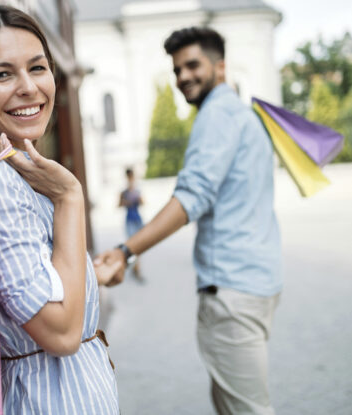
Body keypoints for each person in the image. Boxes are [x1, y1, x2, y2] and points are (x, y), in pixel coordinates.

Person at [0, 6, 120, 414]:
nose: (29, 88)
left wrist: (89, 273)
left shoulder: (11, 168)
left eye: (38, 67)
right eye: (2, 74)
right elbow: (61, 333)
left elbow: (25, 283)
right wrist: (70, 198)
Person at [95, 27, 282, 414]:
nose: (183, 77)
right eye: (177, 69)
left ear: (221, 66)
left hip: (231, 291)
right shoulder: (243, 116)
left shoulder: (216, 116)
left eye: (193, 65)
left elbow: (191, 198)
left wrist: (125, 250)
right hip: (257, 283)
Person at [119, 168, 145, 282]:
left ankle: (135, 267)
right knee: (133, 246)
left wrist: (137, 199)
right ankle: (136, 269)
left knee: (139, 245)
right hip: (129, 220)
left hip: (137, 219)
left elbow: (143, 203)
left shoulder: (137, 190)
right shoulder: (124, 192)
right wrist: (126, 202)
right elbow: (119, 204)